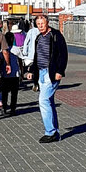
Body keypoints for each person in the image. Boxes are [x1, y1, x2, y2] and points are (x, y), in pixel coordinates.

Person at [24, 15, 67, 143]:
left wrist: (60, 71)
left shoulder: (55, 35)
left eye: (42, 23)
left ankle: (50, 132)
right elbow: (37, 55)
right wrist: (32, 70)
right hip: (41, 72)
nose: (40, 26)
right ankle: (55, 132)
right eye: (38, 24)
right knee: (49, 102)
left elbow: (63, 54)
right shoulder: (38, 37)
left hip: (51, 73)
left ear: (47, 23)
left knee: (43, 100)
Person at [0, 30, 21, 115]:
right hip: (15, 74)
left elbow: (0, 61)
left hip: (5, 74)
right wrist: (22, 73)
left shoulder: (2, 50)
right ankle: (13, 108)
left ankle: (4, 107)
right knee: (14, 93)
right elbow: (20, 62)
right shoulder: (16, 49)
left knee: (4, 92)